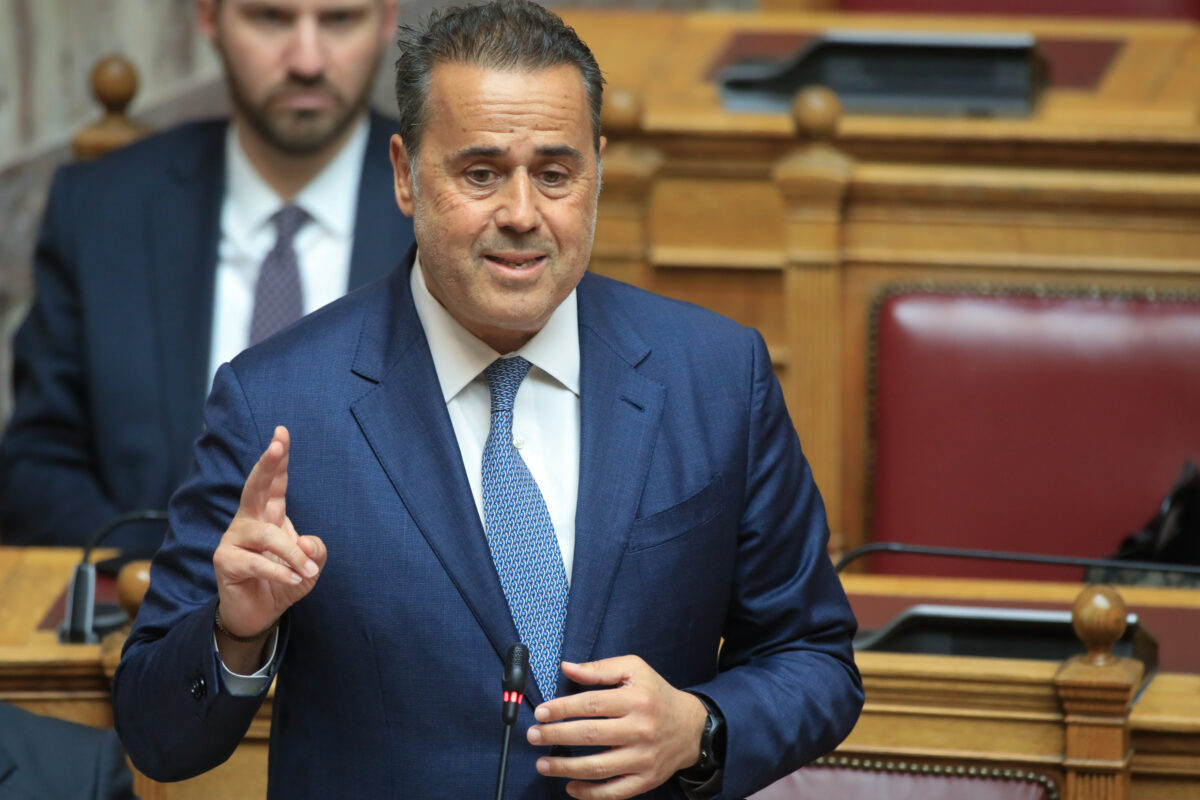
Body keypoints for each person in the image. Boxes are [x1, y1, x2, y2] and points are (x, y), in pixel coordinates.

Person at [112, 2, 863, 798]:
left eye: (555, 174)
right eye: (481, 173)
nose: (522, 214)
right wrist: (235, 633)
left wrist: (699, 728)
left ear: (598, 172)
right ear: (405, 175)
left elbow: (815, 659)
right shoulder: (277, 402)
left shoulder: (715, 376)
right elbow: (157, 736)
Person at [0, 0, 414, 554]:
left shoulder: (451, 212)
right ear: (209, 19)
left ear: (386, 19)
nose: (307, 61)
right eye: (270, 18)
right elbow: (36, 466)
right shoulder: (102, 210)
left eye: (339, 19)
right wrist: (182, 577)